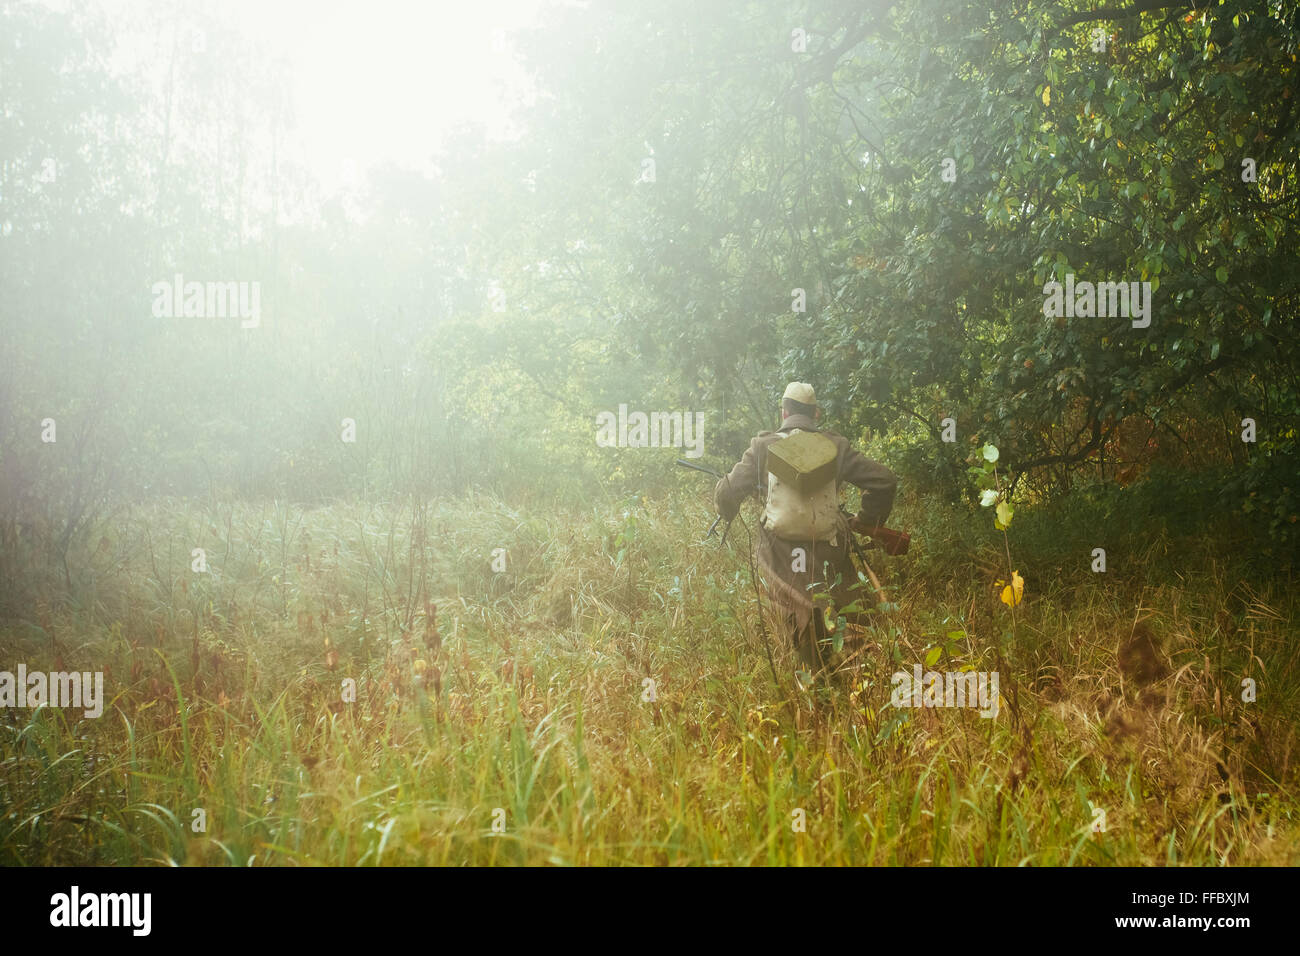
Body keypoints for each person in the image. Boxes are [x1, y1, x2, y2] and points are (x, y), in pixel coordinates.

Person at [714, 382, 898, 672]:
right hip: (828, 545)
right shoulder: (835, 446)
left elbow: (726, 493)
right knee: (845, 603)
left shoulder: (763, 445)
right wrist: (867, 520)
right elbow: (884, 481)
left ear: (784, 412)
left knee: (786, 599)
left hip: (779, 551)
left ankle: (805, 659)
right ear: (816, 413)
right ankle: (855, 663)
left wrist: (727, 510)